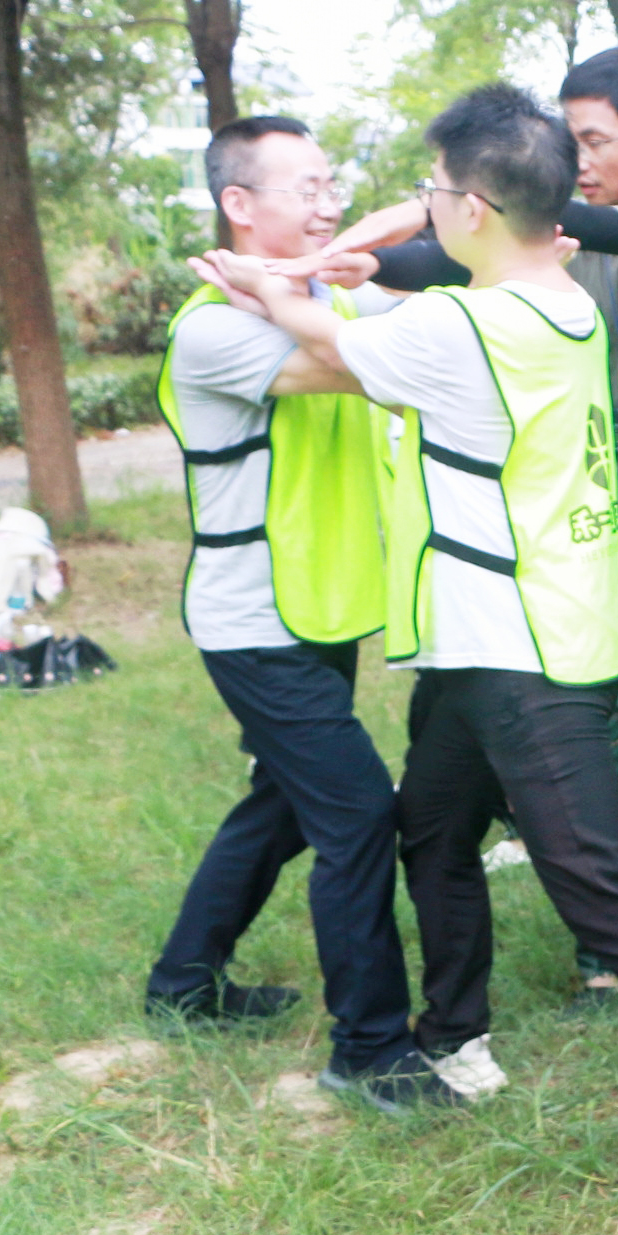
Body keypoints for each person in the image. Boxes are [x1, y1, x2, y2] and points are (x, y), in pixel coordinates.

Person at [188, 84, 618, 1189]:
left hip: (524, 654)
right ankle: (455, 1035)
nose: (429, 205)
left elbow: (329, 338)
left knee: (599, 892)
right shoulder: (561, 296)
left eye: (435, 190)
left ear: (476, 209)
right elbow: (389, 297)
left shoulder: (470, 326)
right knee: (433, 829)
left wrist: (264, 279)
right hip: (481, 644)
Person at [314, 50, 618, 1057]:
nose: (578, 160)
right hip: (590, 539)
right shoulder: (563, 241)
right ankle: (608, 950)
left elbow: (544, 220)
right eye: (567, 144)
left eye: (592, 141)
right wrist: (379, 262)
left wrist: (460, 196)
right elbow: (467, 260)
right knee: (611, 752)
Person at [143, 116, 437, 1112]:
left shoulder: (315, 297)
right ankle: (370, 1050)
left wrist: (309, 269)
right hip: (253, 622)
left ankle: (183, 983)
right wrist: (297, 290)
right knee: (357, 815)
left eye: (329, 185)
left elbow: (430, 267)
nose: (326, 204)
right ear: (238, 203)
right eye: (303, 188)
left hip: (317, 606)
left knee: (282, 806)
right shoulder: (212, 329)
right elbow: (359, 366)